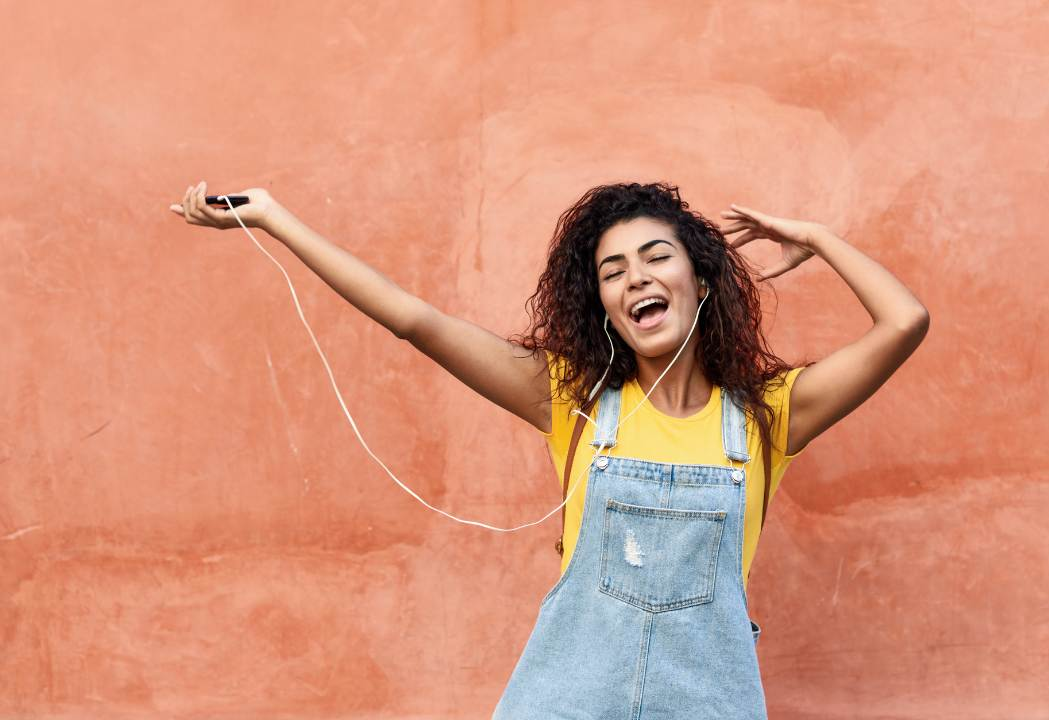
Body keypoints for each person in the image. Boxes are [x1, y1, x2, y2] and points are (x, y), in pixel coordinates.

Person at [170, 180, 929, 717]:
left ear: (701, 280)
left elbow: (905, 323)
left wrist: (821, 239)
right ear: (601, 305)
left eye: (657, 258)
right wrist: (273, 218)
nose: (637, 278)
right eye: (613, 271)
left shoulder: (769, 417)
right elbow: (414, 320)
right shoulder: (572, 402)